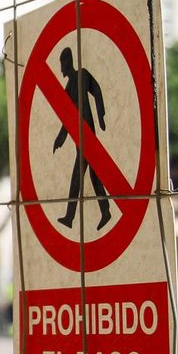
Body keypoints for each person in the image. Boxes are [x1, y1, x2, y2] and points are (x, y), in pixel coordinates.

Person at [51, 45, 112, 231]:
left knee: (77, 176)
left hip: (87, 134)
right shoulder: (68, 87)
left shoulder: (82, 75)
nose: (61, 69)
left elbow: (98, 91)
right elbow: (67, 119)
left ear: (68, 62)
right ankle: (105, 211)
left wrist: (101, 115)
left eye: (62, 64)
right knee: (94, 174)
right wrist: (60, 139)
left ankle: (70, 216)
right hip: (79, 137)